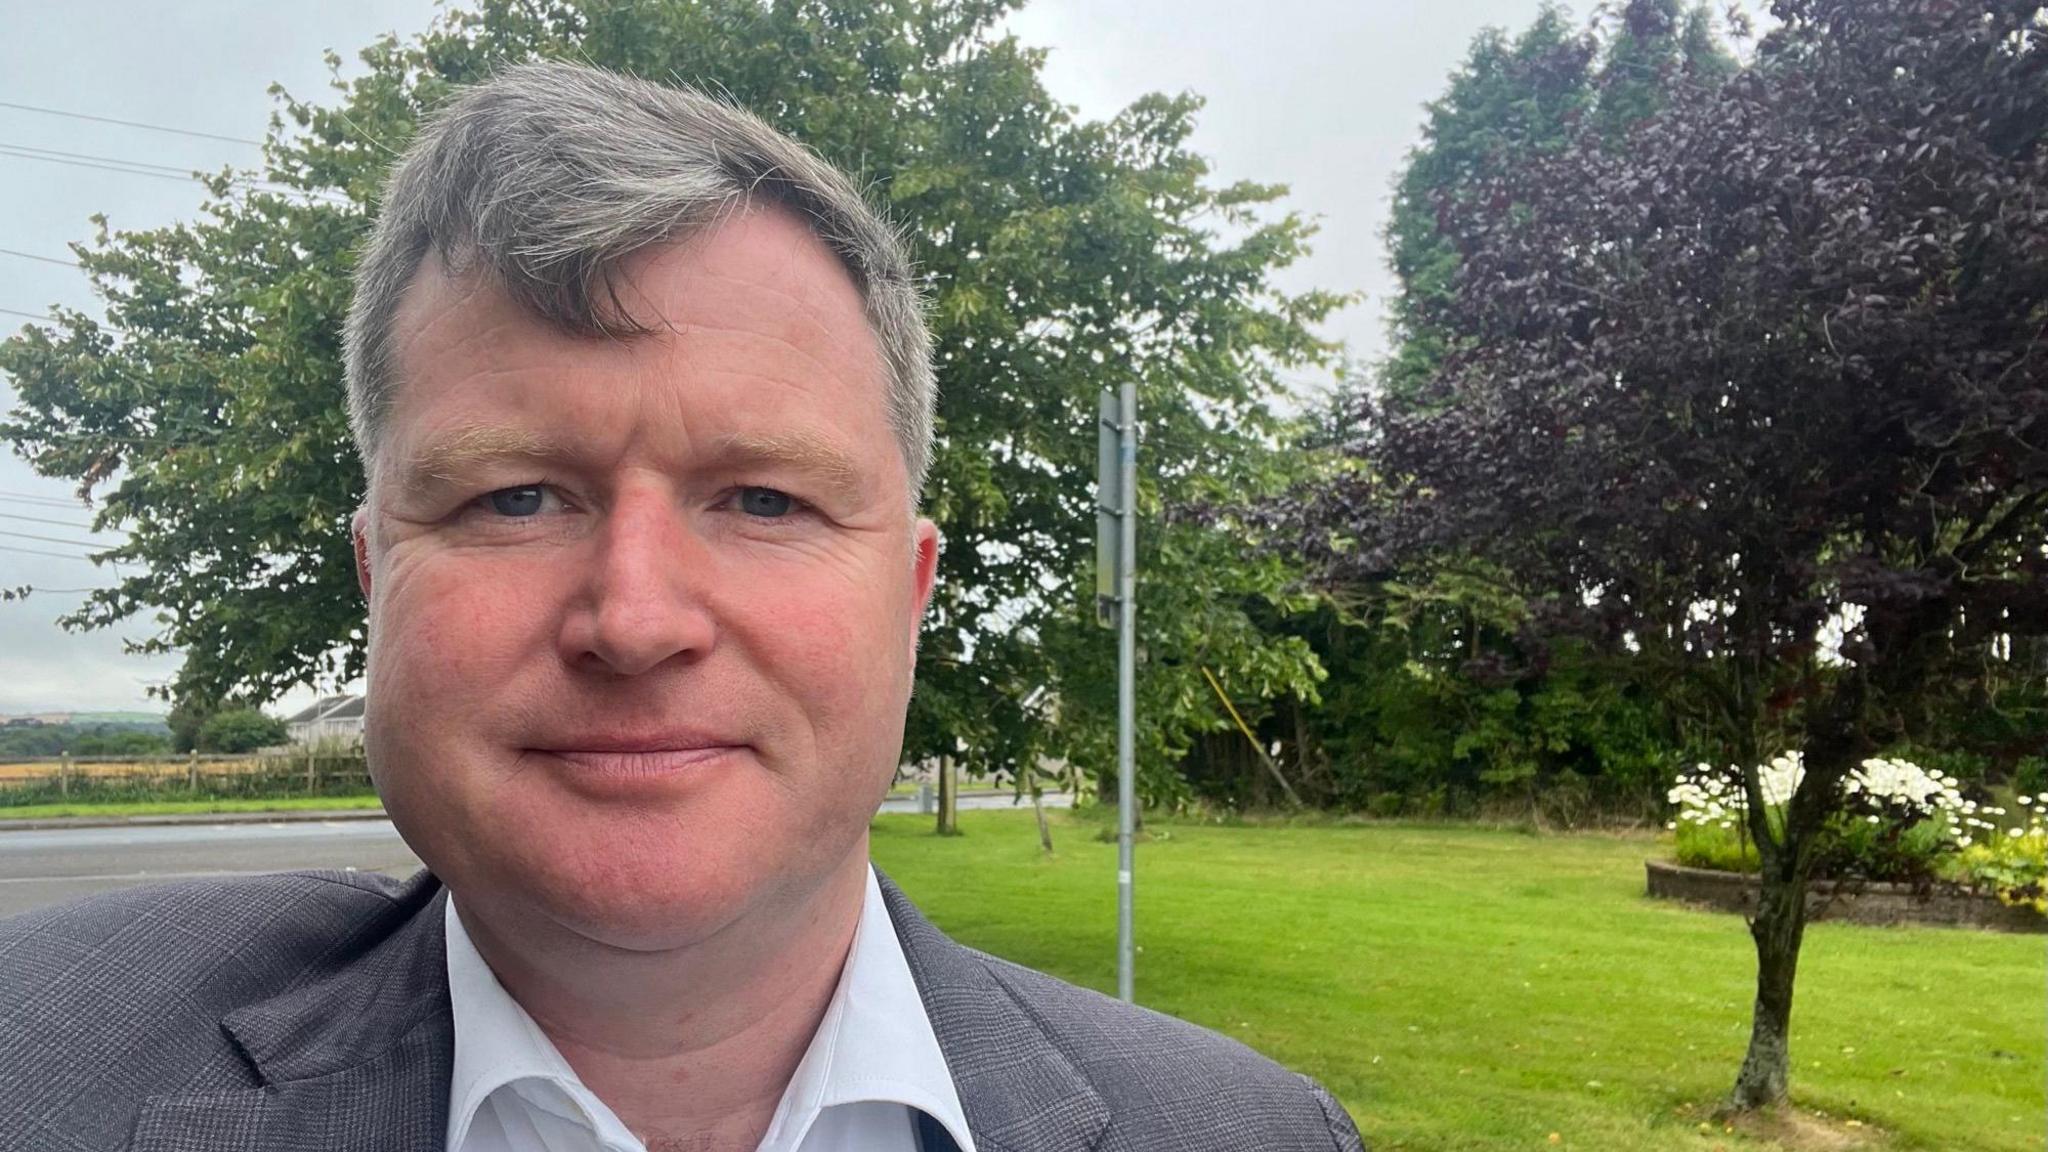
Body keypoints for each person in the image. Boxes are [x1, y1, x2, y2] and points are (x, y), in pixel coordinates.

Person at [0, 61, 1364, 1152]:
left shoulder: (1255, 1135)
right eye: (517, 498)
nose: (636, 619)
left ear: (909, 596)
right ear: (377, 578)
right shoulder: (34, 1062)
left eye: (764, 501)